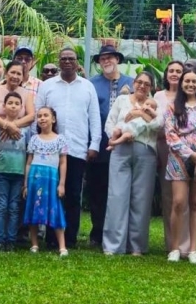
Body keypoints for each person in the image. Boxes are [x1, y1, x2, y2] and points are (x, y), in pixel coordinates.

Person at [35, 48, 101, 248]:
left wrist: (94, 144)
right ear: (58, 61)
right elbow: (39, 116)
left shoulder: (87, 87)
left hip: (77, 148)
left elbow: (95, 118)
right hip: (49, 150)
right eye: (63, 59)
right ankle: (51, 238)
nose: (67, 62)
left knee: (73, 194)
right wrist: (36, 143)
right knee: (52, 193)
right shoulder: (47, 86)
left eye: (71, 59)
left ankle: (70, 238)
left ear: (77, 62)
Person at [103, 72, 161, 256]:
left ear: (151, 87)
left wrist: (137, 113)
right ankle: (113, 246)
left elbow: (158, 125)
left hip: (145, 151)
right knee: (117, 196)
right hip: (120, 150)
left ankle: (136, 246)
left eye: (146, 83)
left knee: (141, 199)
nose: (142, 86)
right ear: (134, 83)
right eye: (139, 82)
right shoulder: (121, 100)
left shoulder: (153, 104)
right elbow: (109, 123)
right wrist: (117, 135)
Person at [163, 70, 196, 265]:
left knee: (195, 203)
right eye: (187, 81)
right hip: (179, 158)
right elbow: (170, 135)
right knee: (178, 202)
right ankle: (175, 248)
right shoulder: (172, 107)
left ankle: (193, 250)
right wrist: (190, 154)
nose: (190, 84)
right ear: (182, 83)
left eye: (194, 81)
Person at [88, 45, 135, 247]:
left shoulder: (132, 83)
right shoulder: (91, 84)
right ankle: (98, 232)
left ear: (117, 59)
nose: (106, 61)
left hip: (125, 146)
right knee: (97, 190)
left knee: (120, 191)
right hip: (99, 146)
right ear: (99, 62)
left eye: (110, 58)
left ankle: (119, 233)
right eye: (102, 59)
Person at [154, 61, 191, 256]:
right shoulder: (158, 96)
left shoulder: (189, 96)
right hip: (163, 148)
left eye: (179, 71)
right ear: (166, 74)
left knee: (184, 198)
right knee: (169, 198)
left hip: (186, 149)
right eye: (171, 71)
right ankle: (172, 244)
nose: (175, 74)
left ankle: (185, 246)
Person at [23, 107, 70, 257]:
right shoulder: (34, 139)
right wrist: (25, 184)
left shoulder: (60, 139)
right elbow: (29, 162)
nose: (42, 118)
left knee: (55, 209)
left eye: (46, 115)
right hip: (35, 179)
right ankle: (34, 244)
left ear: (53, 119)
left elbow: (63, 162)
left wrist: (62, 184)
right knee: (33, 208)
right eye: (39, 116)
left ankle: (62, 246)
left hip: (51, 179)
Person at [0, 92, 30, 251]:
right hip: (1, 172)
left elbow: (29, 152)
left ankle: (11, 240)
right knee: (0, 206)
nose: (13, 106)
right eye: (10, 103)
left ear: (21, 108)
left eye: (16, 103)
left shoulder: (26, 129)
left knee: (14, 207)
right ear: (3, 106)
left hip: (19, 173)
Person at [0, 61, 36, 141]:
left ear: (23, 77)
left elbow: (31, 116)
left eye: (19, 74)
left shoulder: (27, 94)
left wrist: (12, 126)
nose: (15, 76)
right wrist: (6, 125)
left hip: (18, 137)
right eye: (12, 72)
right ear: (6, 73)